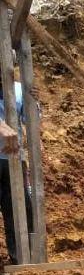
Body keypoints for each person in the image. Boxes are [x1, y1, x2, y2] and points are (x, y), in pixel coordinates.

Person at [0, 79, 32, 264]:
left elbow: (29, 120)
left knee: (19, 213)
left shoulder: (19, 88)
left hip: (13, 159)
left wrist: (33, 102)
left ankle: (20, 262)